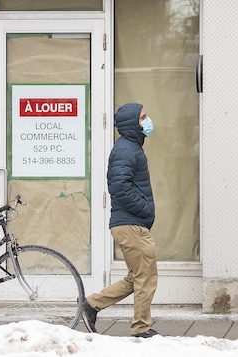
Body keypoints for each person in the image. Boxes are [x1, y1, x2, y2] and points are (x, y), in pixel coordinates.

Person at [82, 103, 159, 338]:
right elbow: (119, 187)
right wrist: (144, 209)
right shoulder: (126, 150)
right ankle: (141, 328)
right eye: (143, 117)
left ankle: (91, 304)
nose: (148, 120)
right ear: (131, 122)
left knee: (135, 276)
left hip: (130, 224)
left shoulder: (130, 147)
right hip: (131, 224)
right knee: (146, 277)